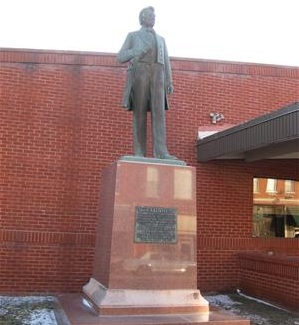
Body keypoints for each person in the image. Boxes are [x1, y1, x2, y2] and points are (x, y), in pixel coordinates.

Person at [117, 6, 177, 160]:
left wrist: (169, 80)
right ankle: (139, 152)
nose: (153, 18)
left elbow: (166, 62)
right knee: (140, 112)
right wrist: (136, 51)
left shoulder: (161, 40)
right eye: (151, 15)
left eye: (154, 16)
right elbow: (120, 57)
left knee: (159, 115)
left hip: (158, 76)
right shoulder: (133, 36)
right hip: (140, 73)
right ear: (143, 18)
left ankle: (161, 152)